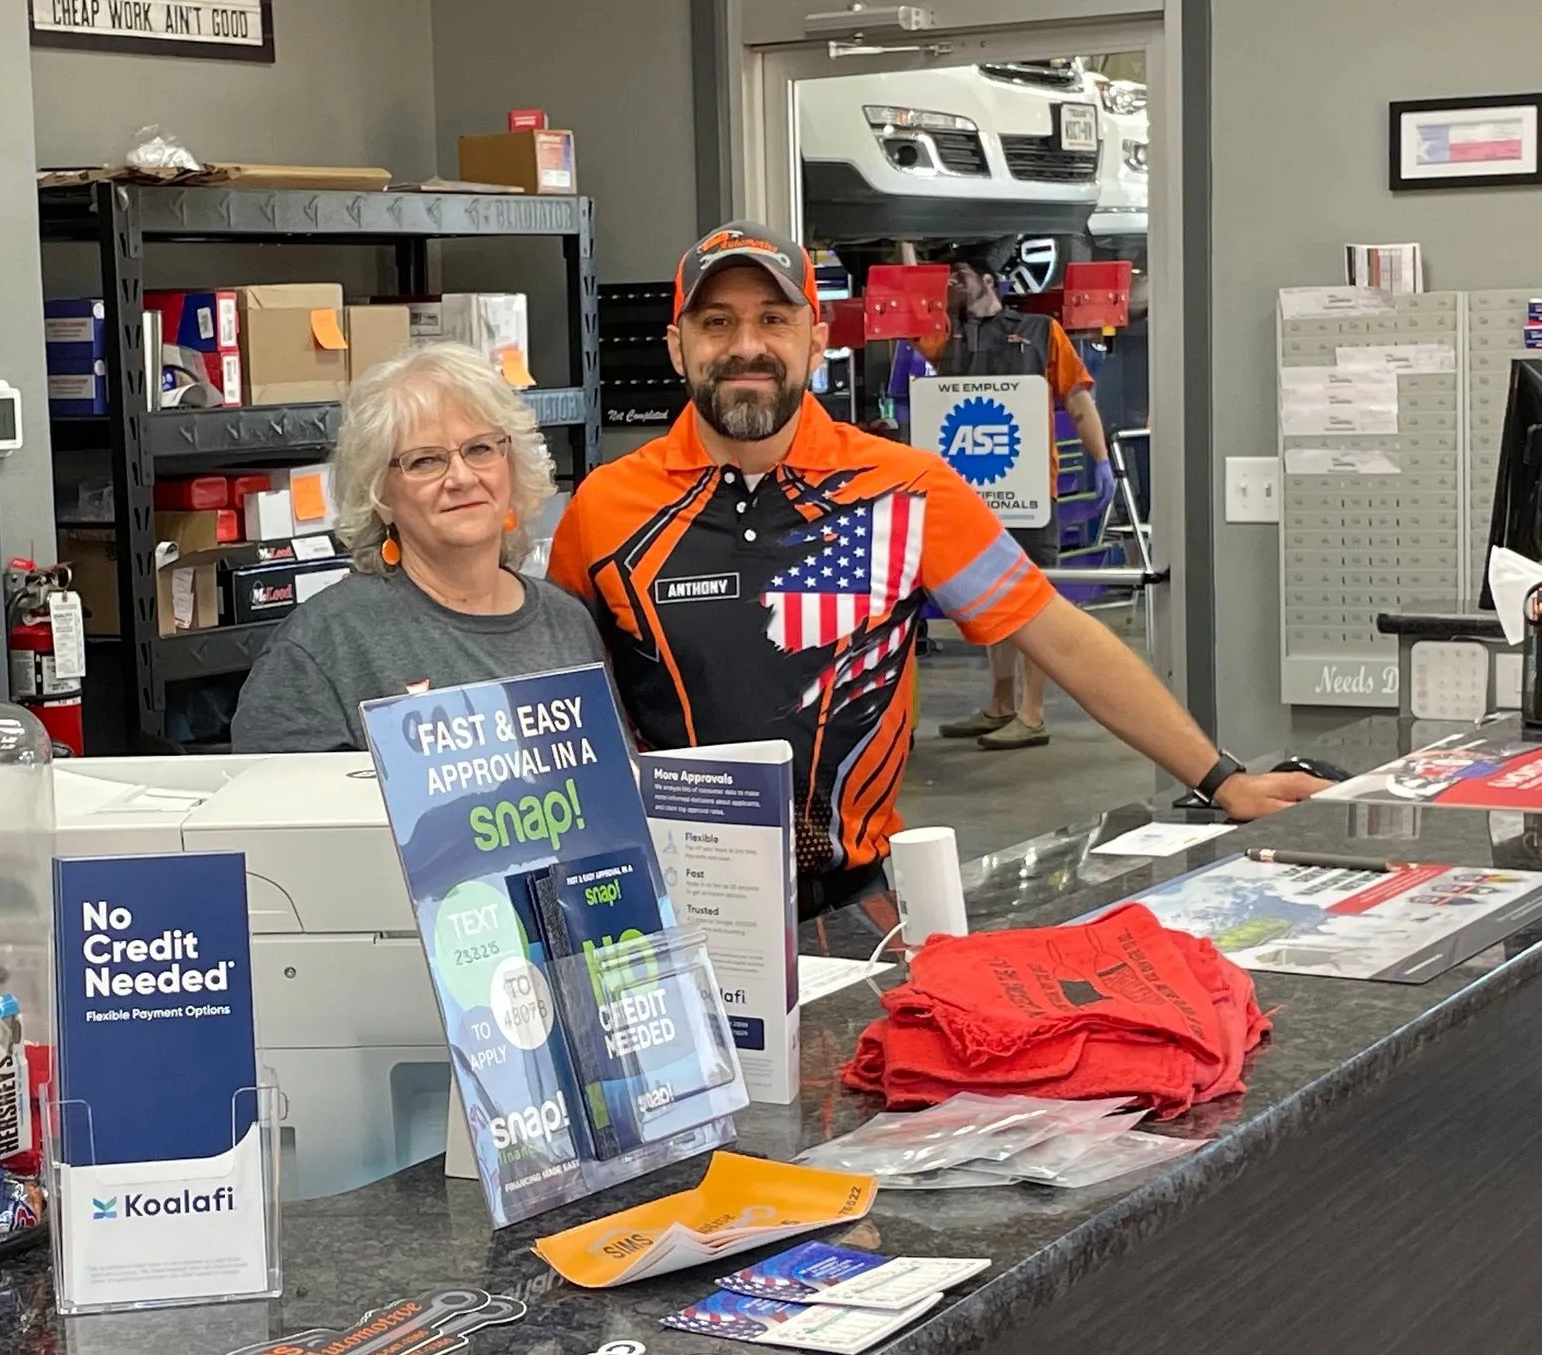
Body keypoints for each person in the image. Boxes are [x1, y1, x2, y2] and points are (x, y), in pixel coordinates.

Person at [549, 219, 1325, 918]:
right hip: (665, 915)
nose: (745, 345)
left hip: (855, 907)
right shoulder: (604, 508)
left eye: (773, 319)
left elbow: (1058, 635)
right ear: (677, 346)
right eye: (716, 322)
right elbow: (555, 704)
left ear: (816, 341)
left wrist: (1221, 779)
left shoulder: (905, 490)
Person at [232, 343, 602, 752]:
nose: (461, 478)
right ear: (380, 496)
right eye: (425, 461)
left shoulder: (567, 623)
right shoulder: (321, 645)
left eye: (480, 449)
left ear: (512, 466)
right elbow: (277, 791)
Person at [931, 243, 1117, 751]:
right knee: (989, 600)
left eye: (959, 275)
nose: (950, 284)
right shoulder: (944, 336)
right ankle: (1000, 704)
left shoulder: (1041, 332)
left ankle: (1033, 714)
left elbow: (1077, 398)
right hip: (971, 496)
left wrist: (1101, 459)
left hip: (1030, 492)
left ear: (989, 280)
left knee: (1036, 602)